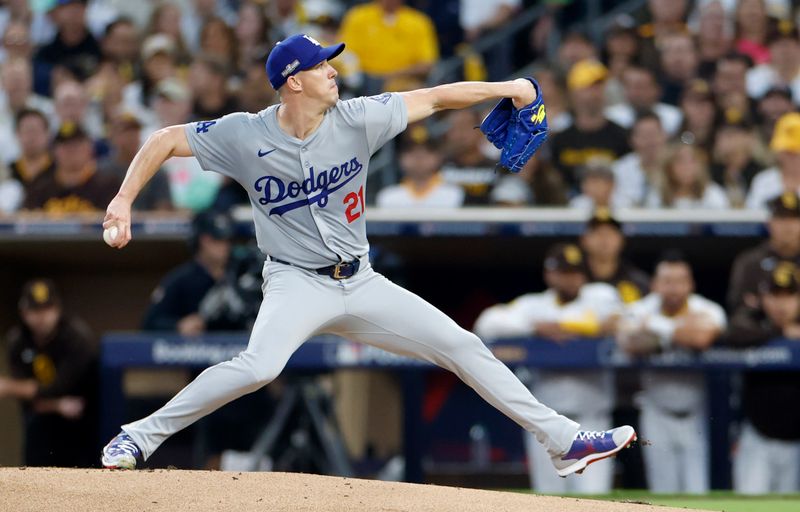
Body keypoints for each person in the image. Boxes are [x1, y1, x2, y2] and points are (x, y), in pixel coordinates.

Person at [100, 33, 636, 474]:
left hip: (361, 281)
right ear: (293, 82)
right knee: (259, 367)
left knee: (463, 344)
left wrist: (512, 86)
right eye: (321, 65)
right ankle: (138, 438)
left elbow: (435, 97)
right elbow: (166, 138)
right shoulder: (246, 133)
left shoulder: (359, 116)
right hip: (295, 282)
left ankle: (564, 442)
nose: (333, 70)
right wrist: (123, 200)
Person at [474, 244, 623, 493]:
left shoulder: (600, 296)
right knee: (548, 500)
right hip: (546, 425)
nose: (571, 278)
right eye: (564, 272)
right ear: (550, 275)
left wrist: (571, 326)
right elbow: (486, 323)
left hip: (592, 420)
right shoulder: (535, 306)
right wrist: (535, 327)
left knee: (595, 499)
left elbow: (619, 320)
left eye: (576, 271)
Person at [616, 253, 726, 494]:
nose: (674, 288)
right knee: (662, 492)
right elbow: (629, 343)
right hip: (656, 411)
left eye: (680, 280)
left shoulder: (706, 307)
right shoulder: (640, 308)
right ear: (655, 284)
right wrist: (680, 331)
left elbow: (701, 338)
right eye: (667, 281)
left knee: (698, 492)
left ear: (691, 284)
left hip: (695, 413)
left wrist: (656, 327)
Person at [0, 279, 97, 467]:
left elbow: (61, 388)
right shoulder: (17, 341)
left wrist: (10, 387)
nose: (42, 317)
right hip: (39, 424)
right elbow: (29, 400)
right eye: (35, 311)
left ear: (58, 309)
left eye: (47, 309)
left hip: (83, 423)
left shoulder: (76, 338)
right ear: (24, 313)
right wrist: (57, 405)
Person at [724, 264, 800, 494]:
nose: (781, 304)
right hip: (757, 437)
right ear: (763, 298)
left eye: (789, 296)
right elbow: (732, 333)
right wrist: (781, 334)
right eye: (775, 296)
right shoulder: (752, 323)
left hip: (797, 443)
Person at [549, 59, 630, 191]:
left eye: (599, 86)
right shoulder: (560, 139)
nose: (595, 92)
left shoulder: (622, 136)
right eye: (588, 86)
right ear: (573, 92)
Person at [728, 192, 800, 311]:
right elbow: (737, 303)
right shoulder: (750, 261)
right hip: (761, 326)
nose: (788, 226)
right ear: (769, 223)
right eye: (782, 218)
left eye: (794, 219)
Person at [23, 122, 117, 213]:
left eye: (77, 145)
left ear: (89, 148)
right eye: (65, 146)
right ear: (54, 151)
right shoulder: (39, 185)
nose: (71, 151)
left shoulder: (107, 185)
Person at [375, 125, 463, 209]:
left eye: (427, 152)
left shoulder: (454, 194)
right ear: (400, 158)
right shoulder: (388, 197)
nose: (418, 157)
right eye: (411, 152)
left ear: (438, 157)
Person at [580, 209, 650, 304]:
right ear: (584, 240)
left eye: (610, 234)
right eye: (598, 233)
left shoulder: (637, 281)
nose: (604, 240)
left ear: (621, 240)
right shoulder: (572, 279)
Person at [747, 112, 800, 209]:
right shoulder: (762, 181)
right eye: (787, 152)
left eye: (795, 152)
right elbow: (753, 218)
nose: (791, 158)